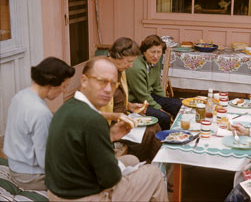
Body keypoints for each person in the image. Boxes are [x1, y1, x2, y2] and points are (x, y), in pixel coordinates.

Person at [45, 56, 168, 201]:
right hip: (82, 197)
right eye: (102, 81)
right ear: (84, 80)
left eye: (113, 84)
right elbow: (110, 179)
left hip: (59, 190)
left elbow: (81, 146)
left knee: (133, 160)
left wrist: (110, 135)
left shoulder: (67, 108)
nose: (109, 89)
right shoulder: (93, 120)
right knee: (153, 173)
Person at [3, 57, 75, 191]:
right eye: (64, 86)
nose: (64, 91)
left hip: (16, 166)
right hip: (29, 177)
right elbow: (45, 161)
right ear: (52, 84)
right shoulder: (41, 112)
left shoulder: (20, 96)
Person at [99, 37, 162, 163]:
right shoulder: (102, 73)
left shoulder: (120, 70)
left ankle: (153, 166)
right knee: (149, 132)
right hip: (107, 126)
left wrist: (129, 106)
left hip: (123, 117)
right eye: (128, 61)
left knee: (155, 127)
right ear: (117, 56)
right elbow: (93, 109)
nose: (131, 65)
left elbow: (116, 99)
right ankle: (141, 164)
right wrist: (118, 116)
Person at [126, 34, 182, 130]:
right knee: (164, 117)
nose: (156, 56)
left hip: (149, 95)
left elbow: (157, 87)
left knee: (179, 104)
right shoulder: (136, 67)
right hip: (136, 99)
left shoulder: (155, 62)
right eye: (152, 52)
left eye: (159, 52)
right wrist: (160, 109)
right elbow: (142, 95)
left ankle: (179, 133)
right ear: (144, 51)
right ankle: (162, 141)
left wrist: (166, 102)